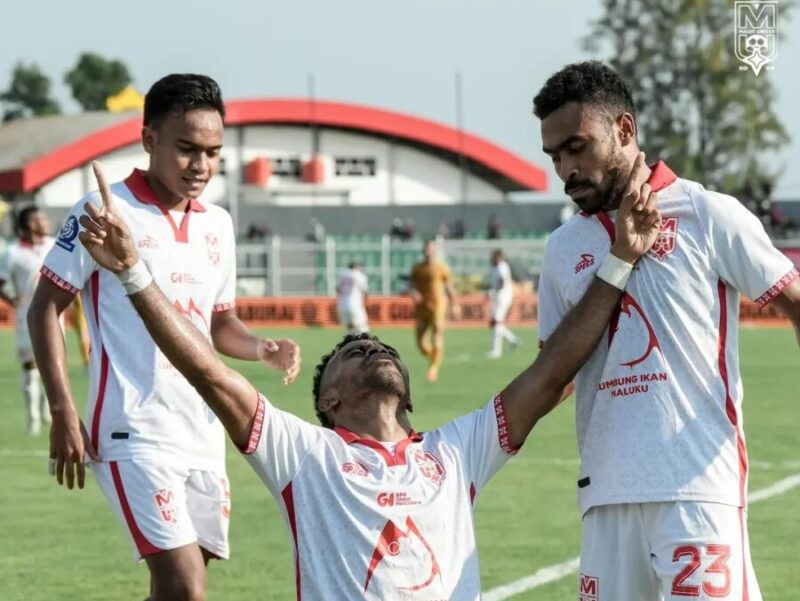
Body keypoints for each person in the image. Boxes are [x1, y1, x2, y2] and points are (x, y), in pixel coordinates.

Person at [76, 155, 660, 601]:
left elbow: (552, 371)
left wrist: (620, 260)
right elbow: (208, 369)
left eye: (379, 345)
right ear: (329, 398)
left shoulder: (457, 451)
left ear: (407, 389)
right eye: (354, 350)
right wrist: (132, 271)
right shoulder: (304, 454)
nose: (373, 346)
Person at [533, 61, 800, 601]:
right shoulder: (562, 249)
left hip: (698, 488)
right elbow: (554, 375)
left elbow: (794, 300)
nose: (566, 169)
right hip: (604, 496)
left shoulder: (708, 214)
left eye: (577, 147)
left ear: (625, 130)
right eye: (555, 156)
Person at [28, 75, 301, 601]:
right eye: (187, 149)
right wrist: (63, 409)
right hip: (134, 429)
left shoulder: (218, 224)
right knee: (186, 590)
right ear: (150, 138)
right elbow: (44, 309)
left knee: (176, 590)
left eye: (213, 152)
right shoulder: (105, 211)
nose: (201, 165)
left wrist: (262, 347)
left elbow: (219, 326)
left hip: (202, 430)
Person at [0, 206, 54, 434]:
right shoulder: (13, 253)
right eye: (40, 218)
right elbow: (1, 281)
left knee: (52, 363)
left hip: (54, 315)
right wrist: (13, 300)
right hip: (26, 316)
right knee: (30, 364)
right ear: (30, 224)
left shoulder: (55, 245)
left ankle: (47, 410)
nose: (45, 222)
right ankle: (32, 417)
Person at [408, 239, 457, 382]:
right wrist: (414, 292)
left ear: (434, 250)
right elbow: (411, 285)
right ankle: (434, 357)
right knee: (421, 344)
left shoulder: (442, 267)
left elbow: (449, 286)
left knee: (437, 334)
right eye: (426, 247)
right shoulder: (417, 268)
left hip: (438, 305)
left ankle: (434, 368)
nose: (428, 250)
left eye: (431, 248)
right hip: (422, 307)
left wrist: (454, 304)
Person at [486, 249, 519, 359]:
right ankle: (512, 339)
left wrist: (494, 290)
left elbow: (501, 282)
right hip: (498, 296)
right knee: (494, 322)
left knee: (497, 322)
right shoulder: (496, 267)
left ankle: (496, 350)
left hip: (502, 296)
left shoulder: (502, 267)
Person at [336, 260, 369, 333]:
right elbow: (365, 290)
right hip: (355, 303)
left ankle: (350, 341)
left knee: (349, 326)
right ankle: (364, 342)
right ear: (357, 267)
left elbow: (338, 289)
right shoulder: (359, 275)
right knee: (362, 324)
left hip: (342, 304)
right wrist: (366, 301)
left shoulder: (342, 275)